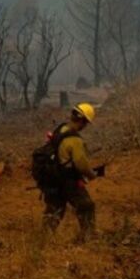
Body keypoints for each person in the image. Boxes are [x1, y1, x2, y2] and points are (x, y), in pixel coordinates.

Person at [38, 102, 101, 242]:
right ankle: (89, 237)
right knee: (86, 206)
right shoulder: (75, 140)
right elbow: (81, 164)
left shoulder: (61, 129)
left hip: (52, 178)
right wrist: (92, 175)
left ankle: (43, 239)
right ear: (84, 121)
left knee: (55, 209)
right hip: (68, 181)